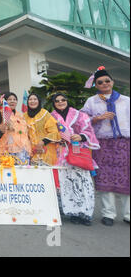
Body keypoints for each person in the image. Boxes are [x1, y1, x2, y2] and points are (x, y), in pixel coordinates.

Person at [81, 66, 130, 226]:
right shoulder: (92, 101)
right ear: (96, 85)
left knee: (126, 178)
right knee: (104, 177)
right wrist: (98, 118)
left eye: (107, 81)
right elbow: (82, 120)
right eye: (100, 82)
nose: (104, 84)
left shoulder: (126, 100)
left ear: (112, 82)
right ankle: (108, 214)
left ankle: (128, 214)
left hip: (124, 143)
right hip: (102, 144)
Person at [51, 92, 100, 226]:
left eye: (63, 100)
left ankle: (86, 213)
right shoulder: (51, 118)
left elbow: (89, 130)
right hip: (61, 154)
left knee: (83, 183)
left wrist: (81, 136)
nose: (60, 102)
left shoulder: (80, 115)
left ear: (67, 101)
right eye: (57, 101)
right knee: (67, 184)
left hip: (77, 153)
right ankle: (73, 213)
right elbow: (48, 133)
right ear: (54, 104)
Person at [0, 92, 31, 163]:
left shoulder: (21, 116)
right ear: (5, 101)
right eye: (9, 99)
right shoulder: (0, 114)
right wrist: (3, 130)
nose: (12, 101)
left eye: (14, 99)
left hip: (21, 149)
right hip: (6, 149)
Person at [24, 93, 60, 166]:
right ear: (27, 102)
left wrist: (42, 142)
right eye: (30, 99)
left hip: (46, 150)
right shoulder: (24, 116)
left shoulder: (45, 114)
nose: (32, 101)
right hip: (33, 152)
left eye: (35, 99)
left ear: (39, 101)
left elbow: (54, 132)